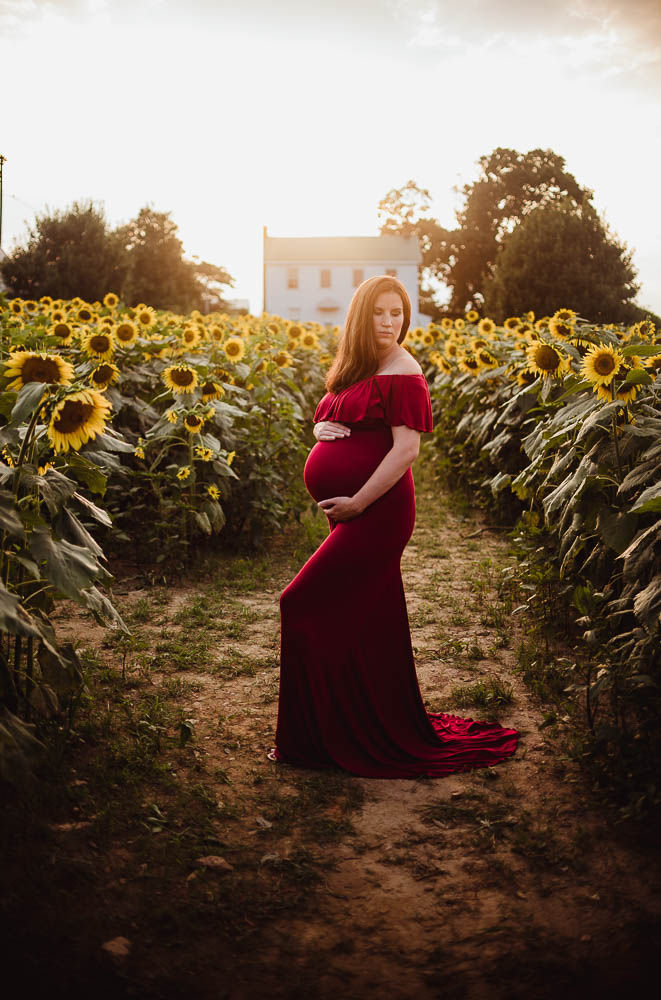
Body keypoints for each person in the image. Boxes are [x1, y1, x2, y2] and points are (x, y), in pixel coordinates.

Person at [268, 275, 520, 777]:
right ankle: (350, 724)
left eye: (397, 313)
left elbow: (406, 450)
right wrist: (320, 428)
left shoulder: (404, 369)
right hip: (352, 511)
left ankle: (314, 738)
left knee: (299, 602)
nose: (389, 322)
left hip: (377, 512)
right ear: (361, 317)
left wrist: (358, 503)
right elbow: (340, 418)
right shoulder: (357, 365)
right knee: (364, 620)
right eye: (379, 313)